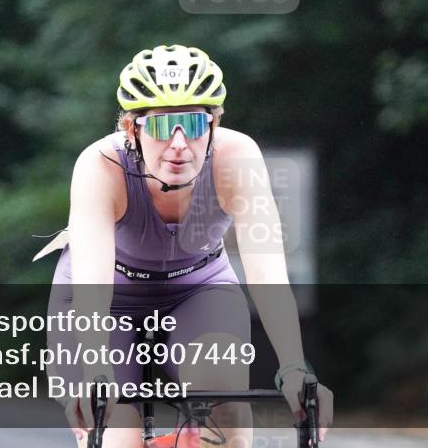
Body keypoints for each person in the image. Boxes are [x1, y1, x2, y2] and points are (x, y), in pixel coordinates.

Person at [35, 44, 332, 448]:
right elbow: (94, 283)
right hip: (106, 298)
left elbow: (266, 271)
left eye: (193, 124)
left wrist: (295, 367)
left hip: (198, 288)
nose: (178, 143)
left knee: (223, 402)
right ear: (131, 129)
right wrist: (95, 372)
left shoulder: (238, 158)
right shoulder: (99, 165)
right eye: (160, 126)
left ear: (213, 124)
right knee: (117, 430)